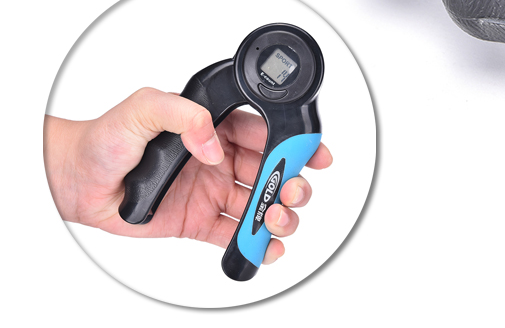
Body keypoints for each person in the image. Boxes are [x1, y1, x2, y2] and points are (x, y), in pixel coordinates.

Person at [43, 87, 331, 265]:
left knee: (280, 210)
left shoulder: (215, 81)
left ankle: (241, 262)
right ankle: (241, 262)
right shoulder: (302, 127)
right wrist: (74, 168)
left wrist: (72, 169)